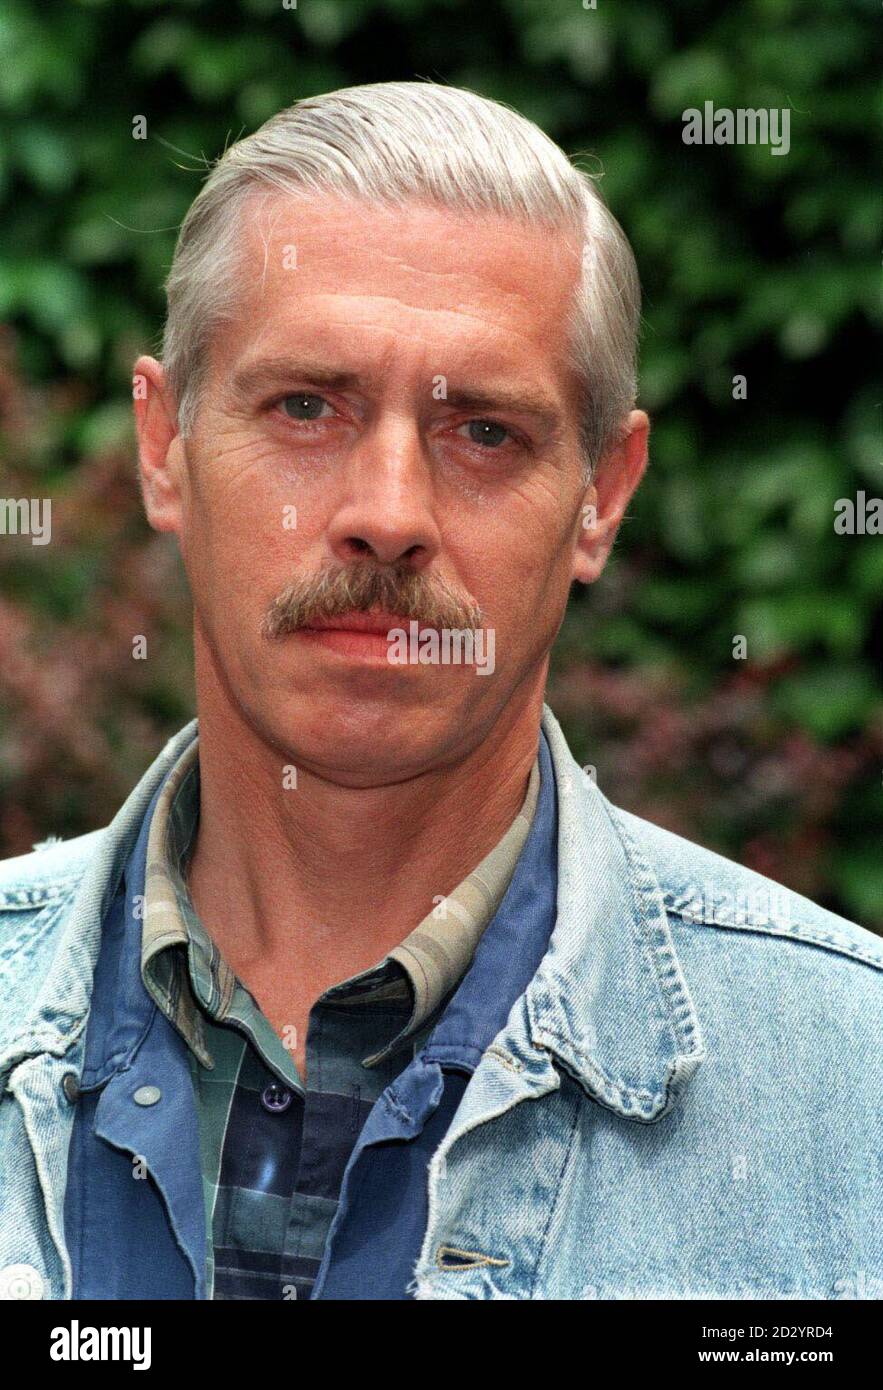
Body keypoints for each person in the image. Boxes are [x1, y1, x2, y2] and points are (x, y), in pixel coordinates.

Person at [0, 82, 879, 1303]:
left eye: (484, 433)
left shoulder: (851, 1092)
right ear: (166, 446)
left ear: (601, 497)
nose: (387, 515)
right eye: (306, 405)